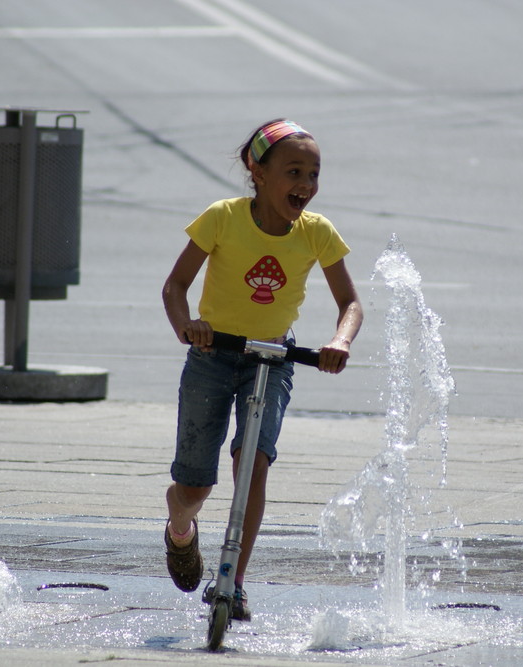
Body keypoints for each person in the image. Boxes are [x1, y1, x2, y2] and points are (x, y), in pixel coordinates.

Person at [160, 119, 363, 622]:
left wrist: (339, 339)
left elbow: (351, 303)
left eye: (314, 174)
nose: (306, 185)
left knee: (252, 466)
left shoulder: (317, 232)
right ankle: (180, 530)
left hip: (272, 358)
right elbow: (175, 288)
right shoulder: (222, 218)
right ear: (257, 171)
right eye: (294, 171)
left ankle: (233, 581)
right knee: (194, 488)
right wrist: (190, 327)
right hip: (212, 356)